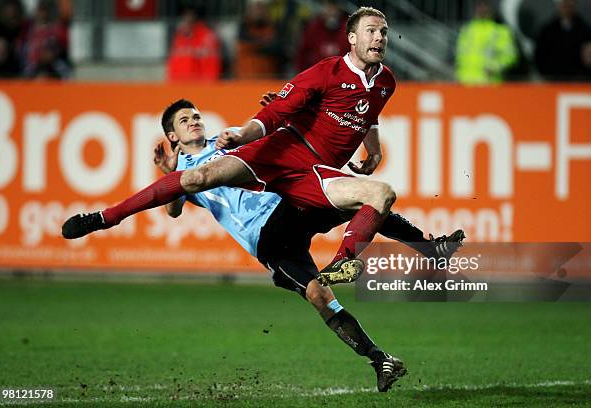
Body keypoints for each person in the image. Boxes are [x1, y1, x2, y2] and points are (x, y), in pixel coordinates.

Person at [60, 7, 404, 294]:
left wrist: (372, 149)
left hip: (313, 174)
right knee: (198, 176)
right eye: (371, 30)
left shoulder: (386, 82)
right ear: (352, 38)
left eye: (384, 32)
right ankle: (106, 218)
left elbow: (368, 113)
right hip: (281, 153)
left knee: (381, 194)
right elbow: (275, 113)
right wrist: (242, 133)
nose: (379, 37)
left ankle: (346, 261)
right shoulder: (325, 71)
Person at [154, 99, 464, 391]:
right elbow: (173, 209)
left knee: (359, 200)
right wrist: (170, 173)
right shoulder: (185, 174)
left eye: (195, 116)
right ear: (173, 135)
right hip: (266, 241)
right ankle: (381, 360)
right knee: (319, 295)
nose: (194, 121)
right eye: (185, 120)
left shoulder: (227, 141)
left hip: (287, 207)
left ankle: (429, 248)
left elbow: (272, 139)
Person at [534, 0, 591, 81]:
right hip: (553, 82)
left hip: (579, 82)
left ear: (575, 4)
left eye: (570, 2)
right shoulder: (547, 31)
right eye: (564, 2)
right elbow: (539, 57)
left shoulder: (586, 31)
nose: (567, 5)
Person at [455, 0, 518, 85]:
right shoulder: (466, 30)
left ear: (491, 10)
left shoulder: (500, 31)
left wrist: (494, 67)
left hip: (489, 83)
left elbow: (510, 56)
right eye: (479, 7)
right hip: (465, 83)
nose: (482, 10)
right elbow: (460, 56)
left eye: (485, 7)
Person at [166, 5, 222, 81]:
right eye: (185, 18)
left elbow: (211, 62)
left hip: (199, 84)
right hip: (178, 82)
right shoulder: (179, 36)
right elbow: (174, 60)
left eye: (190, 17)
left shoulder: (207, 35)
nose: (187, 20)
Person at [295, 0, 349, 73]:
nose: (331, 11)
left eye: (334, 7)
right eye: (328, 7)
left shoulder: (348, 28)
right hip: (316, 76)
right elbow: (302, 53)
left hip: (342, 76)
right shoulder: (313, 27)